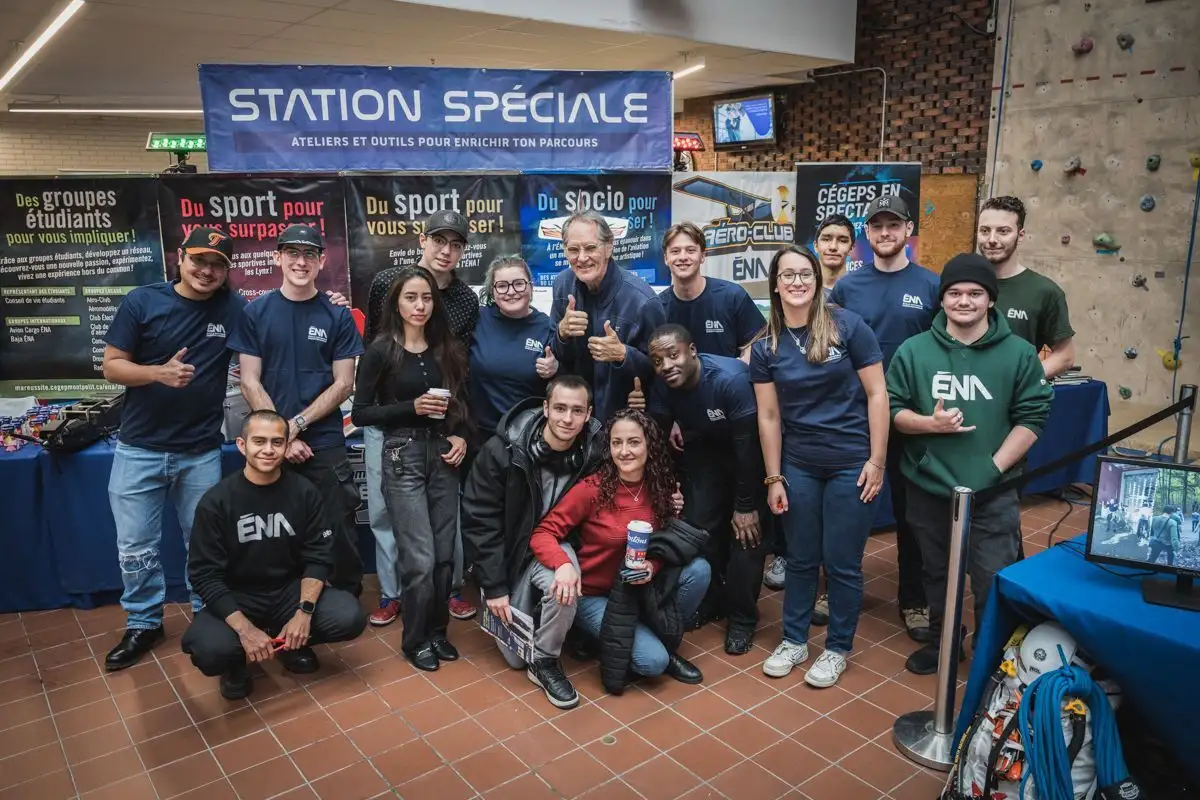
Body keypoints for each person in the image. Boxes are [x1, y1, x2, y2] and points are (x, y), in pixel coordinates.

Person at [887, 253, 1053, 674]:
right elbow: (892, 409)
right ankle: (944, 642)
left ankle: (992, 649)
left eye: (975, 293)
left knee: (991, 576)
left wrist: (991, 471)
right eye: (955, 292)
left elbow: (1032, 418)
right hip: (929, 485)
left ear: (990, 300)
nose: (964, 301)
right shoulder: (913, 351)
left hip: (992, 491)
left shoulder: (1018, 354)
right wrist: (929, 424)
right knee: (936, 573)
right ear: (942, 299)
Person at [100, 228, 244, 671]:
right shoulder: (142, 301)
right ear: (179, 258)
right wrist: (156, 374)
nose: (207, 271)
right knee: (136, 547)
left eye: (218, 264)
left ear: (226, 272)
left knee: (202, 544)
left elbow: (277, 325)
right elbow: (111, 367)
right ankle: (144, 622)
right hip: (138, 448)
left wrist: (333, 305)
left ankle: (207, 616)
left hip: (200, 452)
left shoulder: (234, 308)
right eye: (200, 260)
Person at [751, 245, 888, 688]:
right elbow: (768, 416)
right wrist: (773, 476)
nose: (796, 282)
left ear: (817, 280)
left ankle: (836, 648)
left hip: (851, 462)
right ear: (775, 283)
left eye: (804, 274)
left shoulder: (848, 327)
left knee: (843, 561)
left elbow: (877, 395)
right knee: (801, 558)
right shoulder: (766, 344)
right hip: (799, 465)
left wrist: (877, 461)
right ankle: (794, 640)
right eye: (787, 275)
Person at [180, 410, 367, 699]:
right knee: (208, 649)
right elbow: (204, 575)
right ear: (242, 445)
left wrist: (303, 613)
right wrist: (244, 630)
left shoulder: (304, 492)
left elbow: (318, 556)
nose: (268, 450)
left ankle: (291, 642)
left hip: (288, 591)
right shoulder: (216, 502)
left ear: (286, 445)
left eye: (277, 442)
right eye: (259, 441)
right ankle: (237, 662)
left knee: (349, 616)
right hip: (239, 594)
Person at [228, 224, 365, 596]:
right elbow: (250, 380)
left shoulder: (337, 316)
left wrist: (296, 426)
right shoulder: (256, 312)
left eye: (309, 254)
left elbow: (344, 384)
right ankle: (284, 597)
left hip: (324, 442)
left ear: (321, 261)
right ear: (277, 257)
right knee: (274, 526)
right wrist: (281, 437)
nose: (300, 262)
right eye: (292, 253)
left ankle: (344, 598)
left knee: (338, 524)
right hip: (269, 445)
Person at [529, 409, 709, 685]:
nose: (624, 451)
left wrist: (653, 565)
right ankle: (600, 636)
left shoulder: (660, 486)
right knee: (653, 663)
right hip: (595, 594)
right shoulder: (592, 490)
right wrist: (563, 564)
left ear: (649, 444)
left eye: (633, 442)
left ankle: (662, 640)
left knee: (699, 570)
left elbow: (666, 542)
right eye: (616, 442)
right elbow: (542, 533)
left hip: (638, 586)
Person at [829, 195, 939, 644]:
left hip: (911, 420)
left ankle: (913, 598)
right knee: (848, 509)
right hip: (857, 419)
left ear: (908, 229)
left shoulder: (931, 285)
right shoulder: (847, 289)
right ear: (867, 233)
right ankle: (834, 590)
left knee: (914, 516)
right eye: (877, 226)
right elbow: (831, 352)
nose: (885, 233)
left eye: (894, 225)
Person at [363, 210, 481, 625]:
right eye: (438, 241)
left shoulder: (466, 300)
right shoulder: (385, 283)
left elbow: (459, 372)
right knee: (382, 511)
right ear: (422, 241)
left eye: (455, 244)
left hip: (440, 429)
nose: (445, 251)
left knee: (445, 513)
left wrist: (458, 430)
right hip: (390, 426)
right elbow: (373, 353)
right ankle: (394, 594)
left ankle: (447, 591)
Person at [350, 266, 470, 672]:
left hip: (441, 455)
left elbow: (459, 405)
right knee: (418, 557)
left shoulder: (445, 347)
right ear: (396, 303)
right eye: (411, 298)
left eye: (426, 298)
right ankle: (415, 640)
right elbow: (362, 413)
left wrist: (460, 436)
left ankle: (438, 632)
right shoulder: (380, 350)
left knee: (443, 556)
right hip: (401, 455)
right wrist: (411, 408)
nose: (420, 306)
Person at [462, 375, 605, 709]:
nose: (567, 419)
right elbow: (479, 521)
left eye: (576, 410)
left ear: (588, 415)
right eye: (559, 408)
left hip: (553, 546)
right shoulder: (503, 451)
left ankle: (545, 661)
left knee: (565, 584)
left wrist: (669, 495)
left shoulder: (592, 453)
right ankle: (527, 611)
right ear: (545, 408)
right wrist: (494, 586)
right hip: (509, 558)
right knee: (513, 659)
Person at [632, 324, 767, 655]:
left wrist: (746, 505)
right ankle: (713, 600)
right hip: (705, 452)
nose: (666, 366)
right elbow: (658, 441)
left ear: (692, 351)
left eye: (673, 355)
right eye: (658, 360)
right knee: (699, 531)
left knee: (745, 538)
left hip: (750, 455)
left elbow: (749, 448)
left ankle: (743, 618)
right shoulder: (664, 386)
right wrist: (663, 490)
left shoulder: (729, 380)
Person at [764, 213, 857, 593]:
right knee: (800, 537)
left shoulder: (849, 309)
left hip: (846, 442)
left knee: (841, 548)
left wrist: (875, 458)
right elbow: (768, 409)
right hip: (798, 445)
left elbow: (871, 387)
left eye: (842, 239)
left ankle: (833, 597)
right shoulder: (772, 338)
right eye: (827, 238)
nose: (834, 245)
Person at [550, 210, 666, 423]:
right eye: (573, 249)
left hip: (622, 423)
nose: (582, 258)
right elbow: (555, 354)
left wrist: (624, 354)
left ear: (609, 247)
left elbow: (664, 368)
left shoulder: (642, 301)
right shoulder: (562, 285)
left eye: (591, 248)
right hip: (573, 421)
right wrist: (562, 333)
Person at [977, 196, 1076, 378]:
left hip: (1011, 404)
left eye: (1003, 231)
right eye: (984, 231)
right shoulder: (959, 285)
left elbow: (1065, 356)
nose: (992, 239)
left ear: (1020, 235)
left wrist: (1024, 381)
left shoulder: (1043, 291)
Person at [468, 255, 558, 443]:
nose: (511, 292)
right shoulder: (477, 320)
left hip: (525, 438)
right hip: (478, 438)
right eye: (502, 286)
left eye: (518, 284)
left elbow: (564, 384)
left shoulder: (547, 328)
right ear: (492, 291)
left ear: (531, 287)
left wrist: (556, 370)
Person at [657, 222, 763, 358]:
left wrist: (742, 368)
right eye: (675, 251)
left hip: (728, 379)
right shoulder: (658, 308)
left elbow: (759, 341)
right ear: (666, 258)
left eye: (690, 250)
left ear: (702, 256)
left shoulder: (732, 296)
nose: (683, 257)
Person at [814, 213, 856, 290]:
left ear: (851, 249)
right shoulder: (802, 289)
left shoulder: (862, 291)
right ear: (816, 246)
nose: (833, 247)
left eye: (842, 241)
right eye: (826, 239)